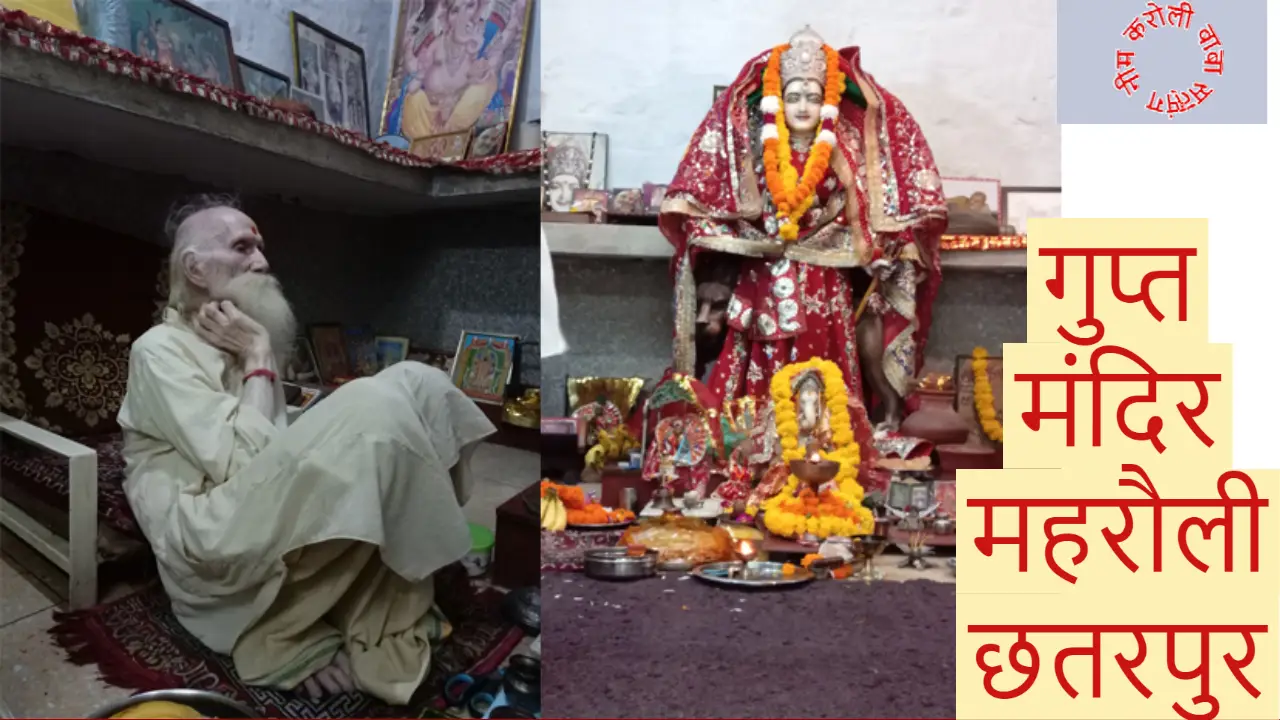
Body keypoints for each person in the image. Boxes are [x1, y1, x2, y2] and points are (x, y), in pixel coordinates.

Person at [117, 195, 495, 704]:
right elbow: (243, 464)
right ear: (195, 269)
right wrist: (258, 356)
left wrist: (262, 361)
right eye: (242, 247)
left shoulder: (239, 336)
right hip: (207, 532)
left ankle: (402, 569)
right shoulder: (159, 350)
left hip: (257, 498)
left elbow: (274, 442)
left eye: (261, 247)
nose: (262, 261)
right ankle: (282, 629)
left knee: (421, 383)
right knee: (372, 406)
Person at [659, 27, 947, 467]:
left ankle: (822, 449)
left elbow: (859, 216)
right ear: (777, 101)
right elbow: (732, 205)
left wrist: (873, 253)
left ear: (827, 103)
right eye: (793, 97)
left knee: (821, 362)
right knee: (760, 367)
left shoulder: (841, 153)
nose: (803, 106)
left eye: (813, 97)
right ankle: (757, 450)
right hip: (762, 275)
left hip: (823, 281)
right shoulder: (757, 149)